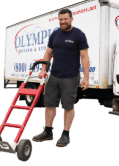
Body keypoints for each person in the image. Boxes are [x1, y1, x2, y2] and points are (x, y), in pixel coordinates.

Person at [31, 9, 90, 148]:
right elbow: (48, 52)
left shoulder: (79, 35)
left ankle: (65, 134)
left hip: (70, 77)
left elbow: (84, 57)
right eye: (60, 19)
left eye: (65, 19)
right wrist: (43, 69)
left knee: (68, 106)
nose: (63, 21)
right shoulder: (55, 34)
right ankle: (47, 131)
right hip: (54, 75)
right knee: (49, 104)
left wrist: (86, 77)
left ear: (71, 19)